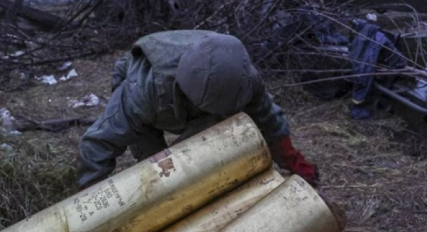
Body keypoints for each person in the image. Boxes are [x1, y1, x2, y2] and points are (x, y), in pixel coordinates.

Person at [77, 30, 319, 188]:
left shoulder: (242, 78)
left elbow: (268, 119)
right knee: (160, 169)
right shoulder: (142, 92)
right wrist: (92, 205)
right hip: (151, 93)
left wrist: (293, 161)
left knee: (191, 166)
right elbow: (97, 144)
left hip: (194, 101)